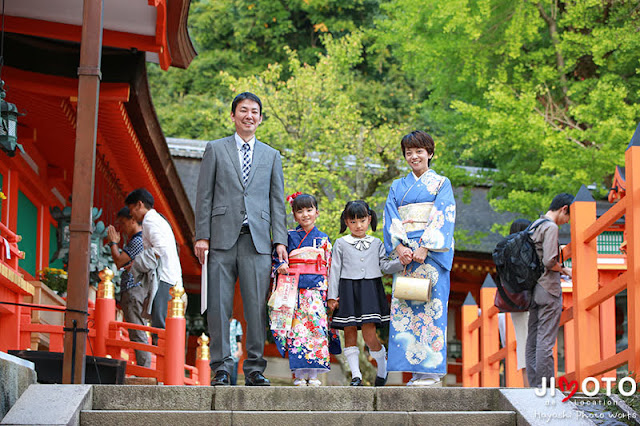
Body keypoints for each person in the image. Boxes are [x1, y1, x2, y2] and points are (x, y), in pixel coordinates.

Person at [194, 92, 288, 387]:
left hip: (257, 241)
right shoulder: (215, 149)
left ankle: (255, 368)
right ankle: (222, 367)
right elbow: (204, 196)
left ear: (260, 118)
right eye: (243, 110)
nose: (249, 116)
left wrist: (280, 241)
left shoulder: (271, 155)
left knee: (256, 307)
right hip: (220, 239)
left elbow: (277, 202)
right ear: (233, 116)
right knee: (219, 305)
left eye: (255, 112)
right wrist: (202, 236)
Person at [383, 130, 456, 387]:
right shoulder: (396, 186)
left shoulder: (441, 183)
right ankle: (414, 371)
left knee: (431, 308)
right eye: (409, 152)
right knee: (405, 309)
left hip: (431, 255)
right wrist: (401, 247)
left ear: (430, 154)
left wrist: (425, 246)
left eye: (419, 151)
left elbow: (443, 216)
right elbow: (391, 216)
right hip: (406, 257)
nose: (414, 156)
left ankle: (431, 372)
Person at [328, 200, 402, 386]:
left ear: (369, 219)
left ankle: (382, 367)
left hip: (370, 290)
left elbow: (385, 265)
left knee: (369, 335)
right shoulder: (340, 243)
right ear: (346, 222)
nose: (358, 225)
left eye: (361, 220)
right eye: (352, 222)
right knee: (350, 332)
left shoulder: (376, 243)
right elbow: (334, 270)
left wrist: (402, 261)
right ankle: (356, 375)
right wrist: (331, 296)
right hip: (347, 290)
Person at [270, 193, 335, 386]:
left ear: (317, 212)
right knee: (297, 331)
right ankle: (298, 374)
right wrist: (280, 266)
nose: (305, 214)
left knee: (316, 330)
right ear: (294, 214)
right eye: (300, 211)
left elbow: (329, 266)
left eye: (309, 210)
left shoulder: (323, 239)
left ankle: (314, 374)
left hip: (316, 291)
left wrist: (331, 294)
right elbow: (278, 258)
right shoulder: (288, 237)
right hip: (293, 291)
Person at [526, 193, 573, 388]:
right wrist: (565, 269)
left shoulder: (535, 225)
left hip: (533, 288)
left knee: (533, 339)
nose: (568, 221)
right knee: (546, 340)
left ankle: (535, 386)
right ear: (564, 209)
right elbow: (549, 261)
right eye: (569, 216)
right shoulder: (551, 227)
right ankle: (545, 388)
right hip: (549, 288)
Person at [125, 188, 182, 334]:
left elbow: (160, 248)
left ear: (139, 205)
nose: (131, 213)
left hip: (164, 278)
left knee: (160, 326)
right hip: (171, 278)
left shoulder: (150, 221)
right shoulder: (158, 219)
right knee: (161, 324)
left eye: (131, 209)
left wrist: (138, 262)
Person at [106, 207, 150, 367]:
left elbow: (119, 261)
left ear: (133, 220)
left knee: (137, 331)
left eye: (123, 223)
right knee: (137, 331)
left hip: (133, 290)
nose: (122, 228)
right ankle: (143, 368)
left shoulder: (138, 240)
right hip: (135, 290)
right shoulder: (139, 239)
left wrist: (113, 243)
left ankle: (144, 369)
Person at [229, 317, 243, 385]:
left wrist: (239, 350)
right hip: (224, 352)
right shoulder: (222, 322)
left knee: (233, 375)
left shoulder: (236, 323)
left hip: (234, 351)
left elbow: (238, 338)